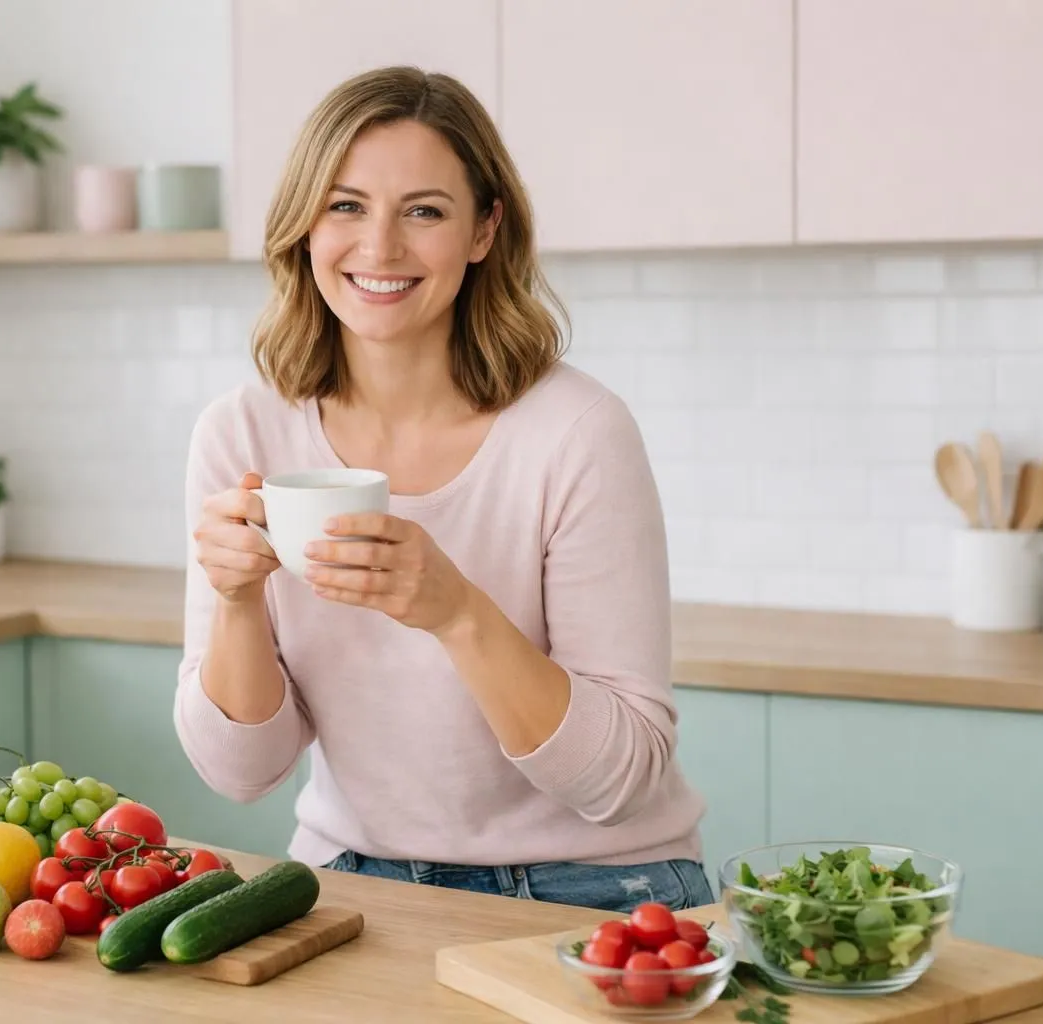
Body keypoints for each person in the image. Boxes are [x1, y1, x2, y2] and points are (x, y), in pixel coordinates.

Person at [172, 65, 710, 913]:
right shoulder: (244, 435)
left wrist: (456, 610)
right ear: (305, 226)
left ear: (484, 230)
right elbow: (240, 774)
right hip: (351, 877)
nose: (379, 248)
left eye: (423, 211)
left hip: (597, 885)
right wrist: (237, 598)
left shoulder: (576, 433)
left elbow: (621, 781)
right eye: (345, 205)